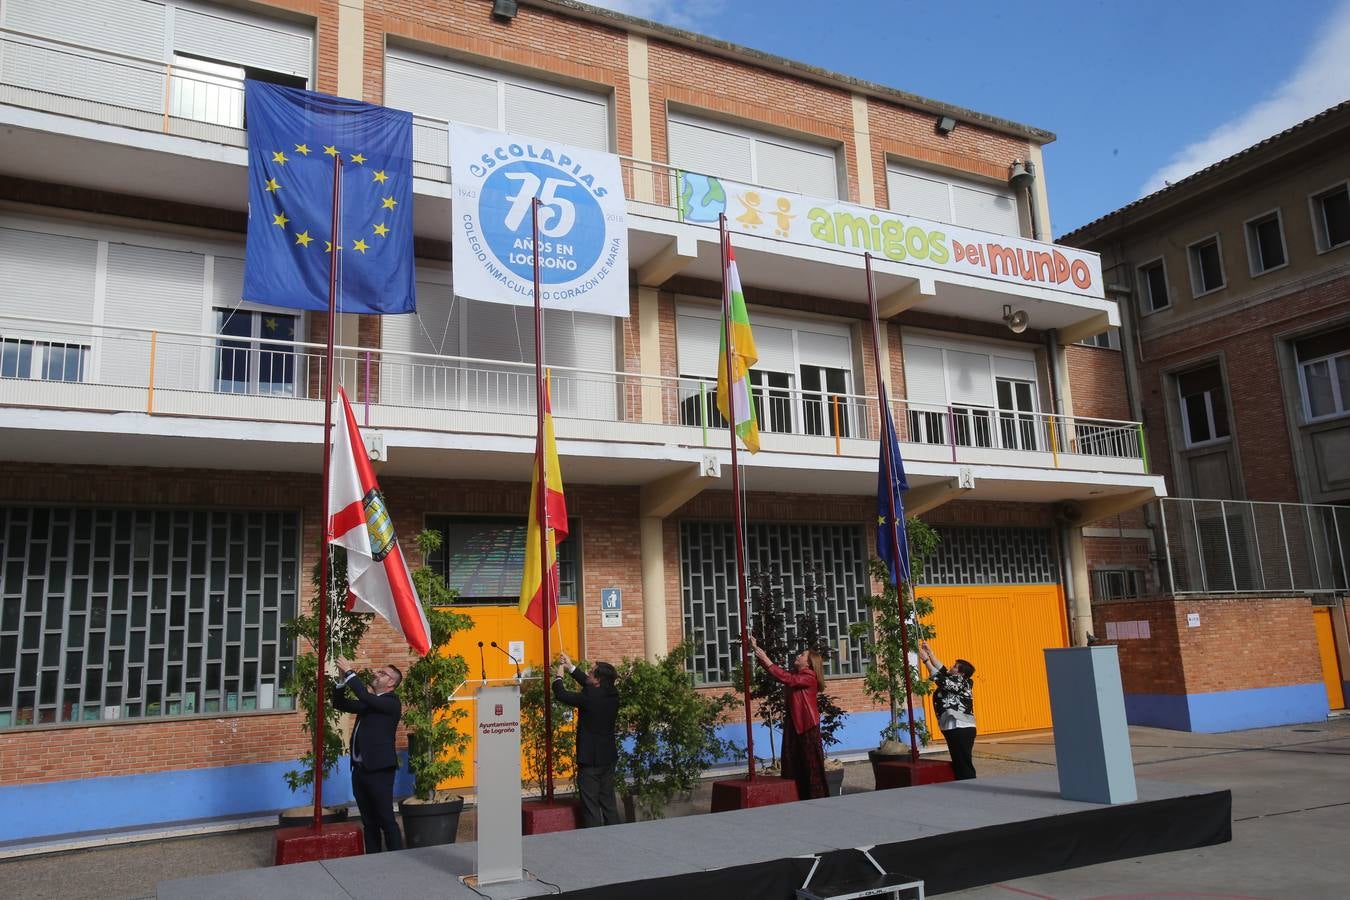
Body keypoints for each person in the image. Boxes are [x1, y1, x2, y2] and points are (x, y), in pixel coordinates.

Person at [331, 658, 404, 852]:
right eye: (379, 671)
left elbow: (363, 695)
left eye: (382, 674)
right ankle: (372, 860)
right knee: (369, 822)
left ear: (391, 683)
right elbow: (339, 704)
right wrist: (340, 681)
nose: (376, 674)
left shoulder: (391, 703)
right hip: (360, 770)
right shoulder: (371, 703)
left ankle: (399, 860)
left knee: (386, 819)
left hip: (379, 770)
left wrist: (349, 672)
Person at [748, 634, 828, 800]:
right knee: (792, 761)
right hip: (795, 723)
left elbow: (787, 679)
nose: (798, 655)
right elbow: (780, 673)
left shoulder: (809, 676)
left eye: (802, 655)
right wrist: (756, 649)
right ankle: (797, 796)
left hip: (807, 725)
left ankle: (816, 797)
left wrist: (766, 659)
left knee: (810, 765)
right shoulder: (798, 674)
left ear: (809, 663)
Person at [553, 650, 621, 827]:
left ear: (598, 680)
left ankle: (595, 840)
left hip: (590, 760)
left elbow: (562, 695)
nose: (588, 673)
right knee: (608, 802)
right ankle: (616, 835)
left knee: (590, 804)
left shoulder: (590, 696)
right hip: (608, 757)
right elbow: (588, 683)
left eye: (591, 672)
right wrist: (571, 667)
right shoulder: (612, 694)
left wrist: (558, 677)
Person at [918, 641, 977, 780]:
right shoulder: (957, 679)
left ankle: (970, 786)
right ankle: (964, 786)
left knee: (963, 762)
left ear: (961, 673)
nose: (951, 667)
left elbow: (941, 679)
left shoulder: (962, 682)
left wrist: (925, 660)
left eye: (955, 667)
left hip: (961, 727)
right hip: (954, 728)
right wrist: (930, 653)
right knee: (959, 761)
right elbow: (943, 670)